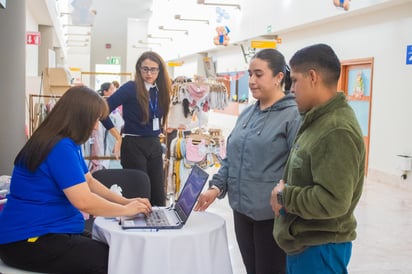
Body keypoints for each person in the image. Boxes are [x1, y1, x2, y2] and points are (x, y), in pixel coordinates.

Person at [0, 86, 152, 274]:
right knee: (114, 260)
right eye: (95, 120)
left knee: (118, 252)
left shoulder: (66, 143)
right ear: (80, 118)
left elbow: (89, 181)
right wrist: (125, 210)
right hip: (28, 240)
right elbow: (83, 201)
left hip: (45, 232)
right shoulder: (60, 147)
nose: (96, 126)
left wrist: (126, 201)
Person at [194, 48, 301, 274]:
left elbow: (298, 167)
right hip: (242, 211)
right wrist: (216, 187)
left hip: (271, 216)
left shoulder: (293, 116)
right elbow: (231, 157)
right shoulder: (247, 114)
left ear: (279, 77)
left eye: (258, 74)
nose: (251, 81)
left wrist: (284, 195)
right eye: (249, 74)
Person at [270, 43, 365, 274]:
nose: (291, 89)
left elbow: (334, 200)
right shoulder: (317, 120)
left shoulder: (335, 129)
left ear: (313, 77)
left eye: (295, 80)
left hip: (321, 250)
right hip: (307, 246)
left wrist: (284, 196)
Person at [101, 51, 171, 206]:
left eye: (153, 69)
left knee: (158, 195)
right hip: (133, 145)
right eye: (145, 69)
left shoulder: (161, 90)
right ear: (139, 69)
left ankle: (160, 226)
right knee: (140, 193)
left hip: (154, 144)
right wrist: (117, 136)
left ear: (160, 71)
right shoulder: (130, 88)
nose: (149, 73)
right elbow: (102, 111)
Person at [87, 82, 124, 172]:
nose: (114, 90)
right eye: (111, 89)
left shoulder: (112, 110)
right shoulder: (101, 109)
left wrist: (118, 138)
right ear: (105, 92)